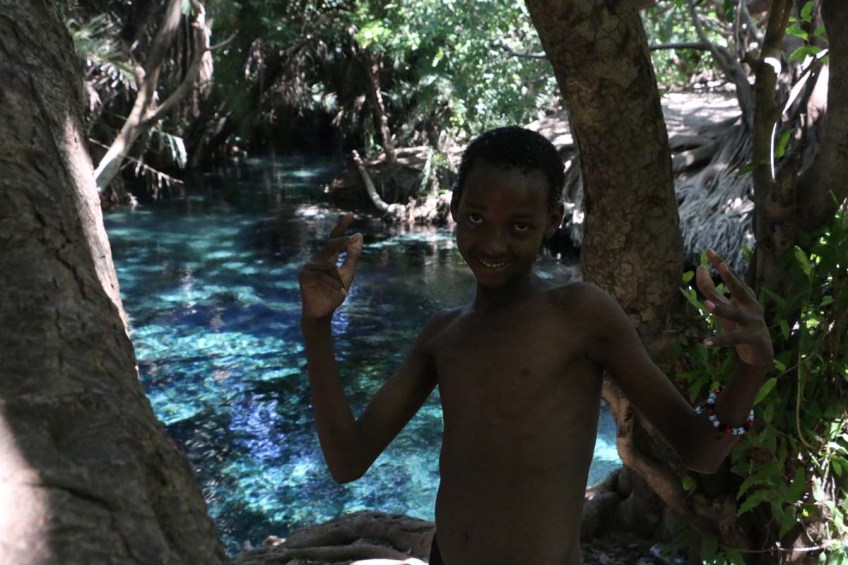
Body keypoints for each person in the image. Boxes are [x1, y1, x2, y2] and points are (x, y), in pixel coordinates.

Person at [298, 127, 774, 565]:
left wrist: (752, 368)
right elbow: (347, 459)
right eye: (476, 217)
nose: (493, 242)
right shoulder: (441, 336)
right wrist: (317, 324)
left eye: (520, 226)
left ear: (553, 221)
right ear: (454, 208)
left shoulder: (581, 313)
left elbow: (699, 449)